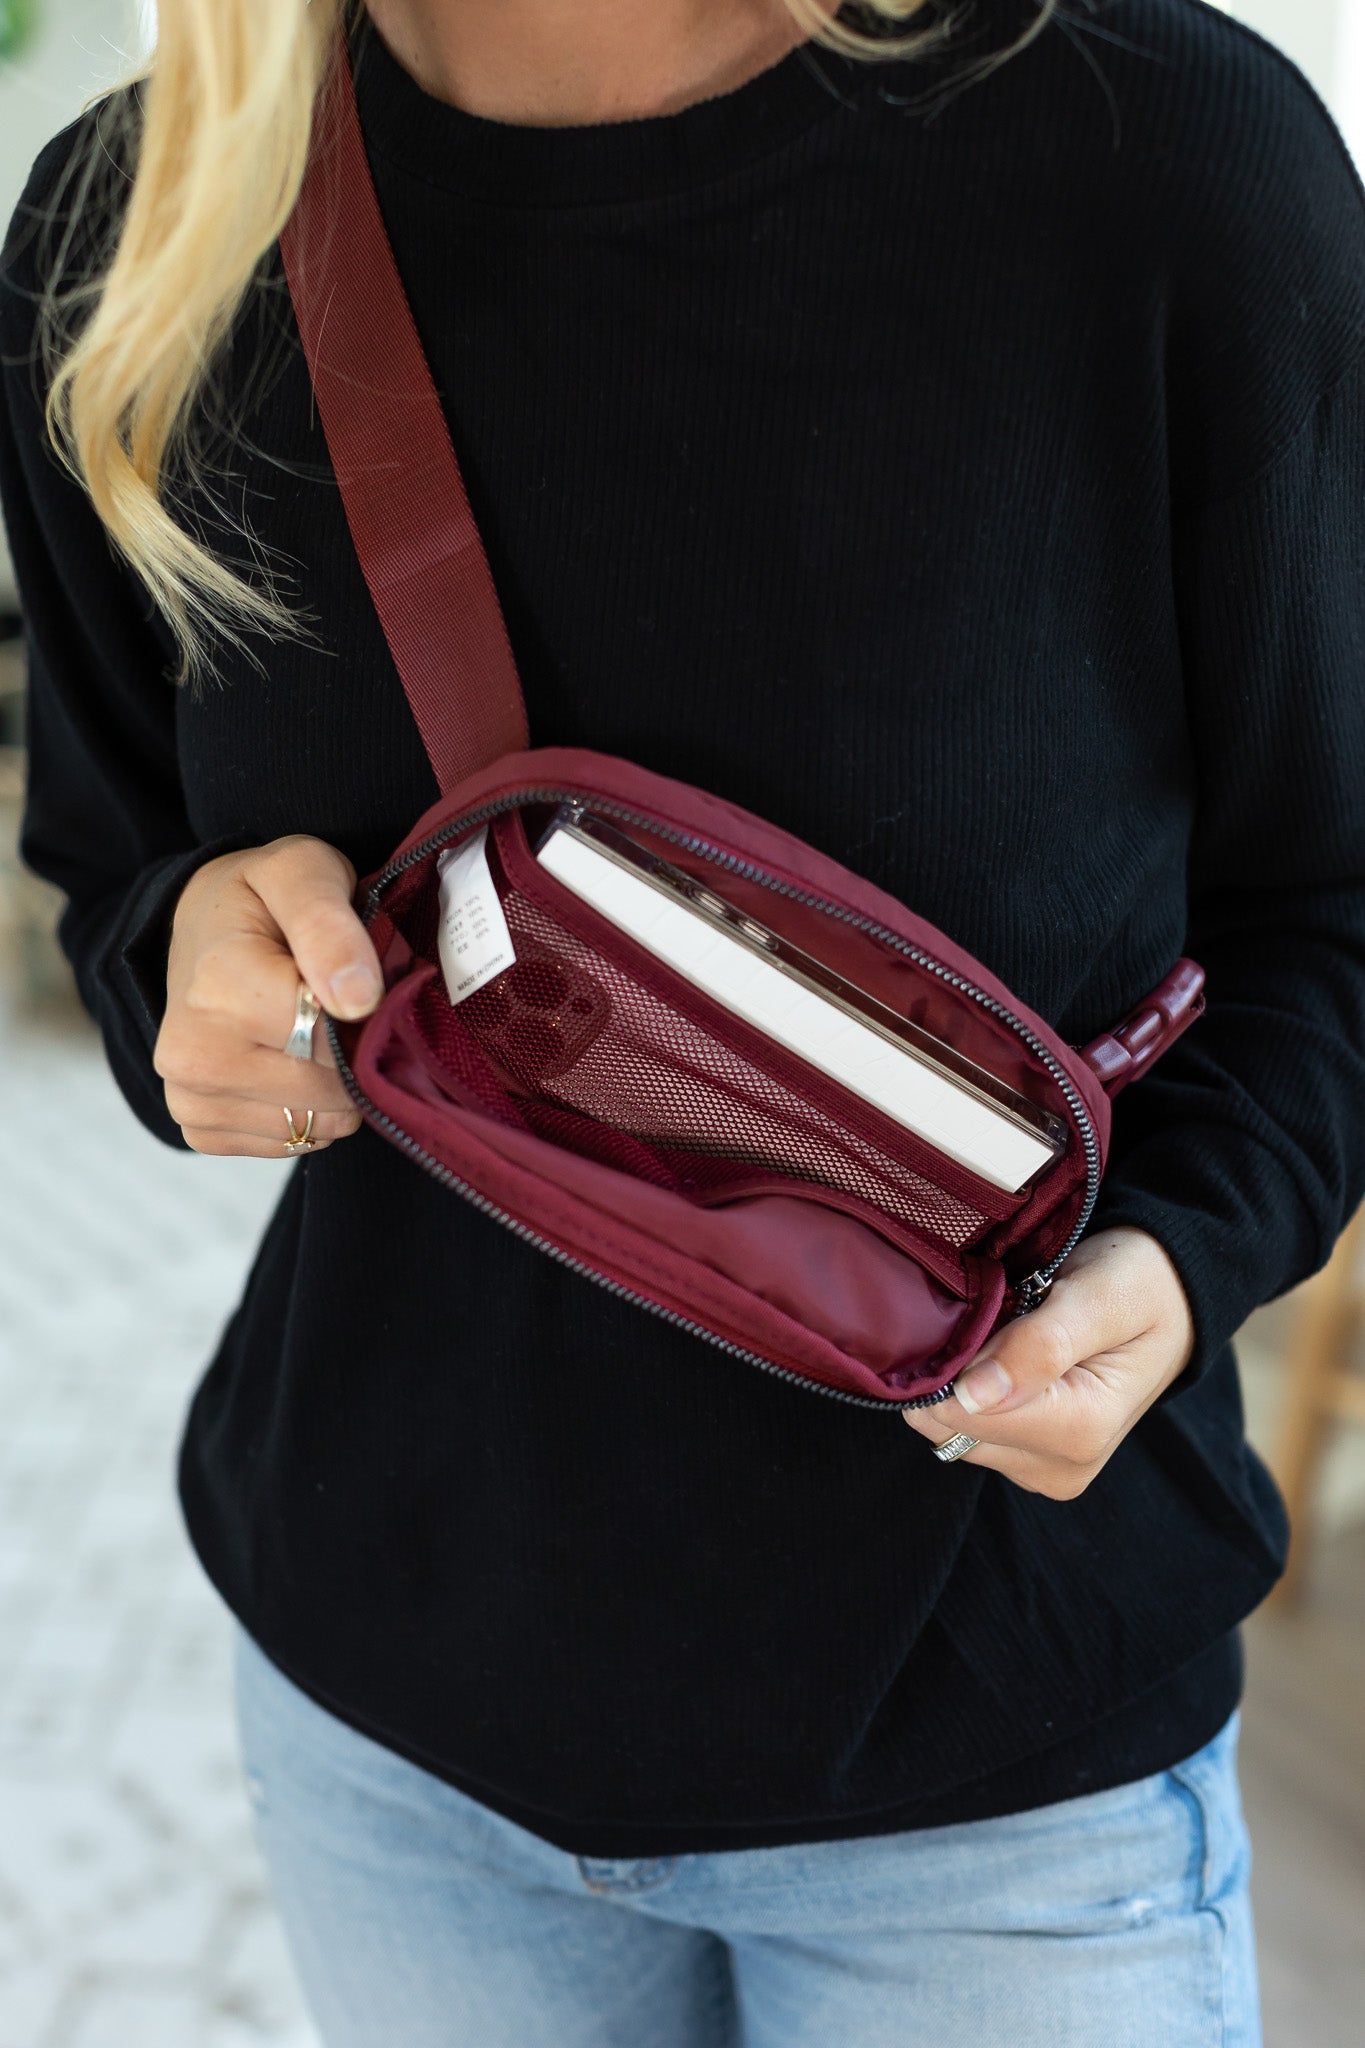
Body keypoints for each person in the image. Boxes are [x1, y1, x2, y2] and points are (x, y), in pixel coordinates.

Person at [4, 0, 1364, 2040]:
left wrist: (1182, 1258)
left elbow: (1330, 899)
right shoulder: (138, 231)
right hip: (391, 1727)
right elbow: (119, 876)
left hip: (996, 1764)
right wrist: (187, 973)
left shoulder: (1159, 159)